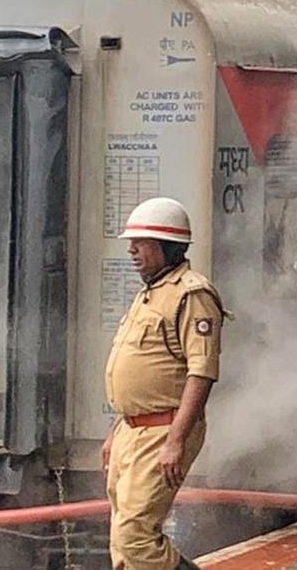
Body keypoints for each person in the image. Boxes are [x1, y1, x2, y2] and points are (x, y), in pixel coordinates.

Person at [104, 197, 225, 570]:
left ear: (165, 246)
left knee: (135, 536)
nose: (132, 249)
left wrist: (176, 440)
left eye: (141, 242)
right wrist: (116, 431)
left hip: (162, 431)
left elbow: (201, 372)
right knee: (122, 542)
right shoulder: (152, 293)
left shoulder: (192, 295)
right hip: (133, 431)